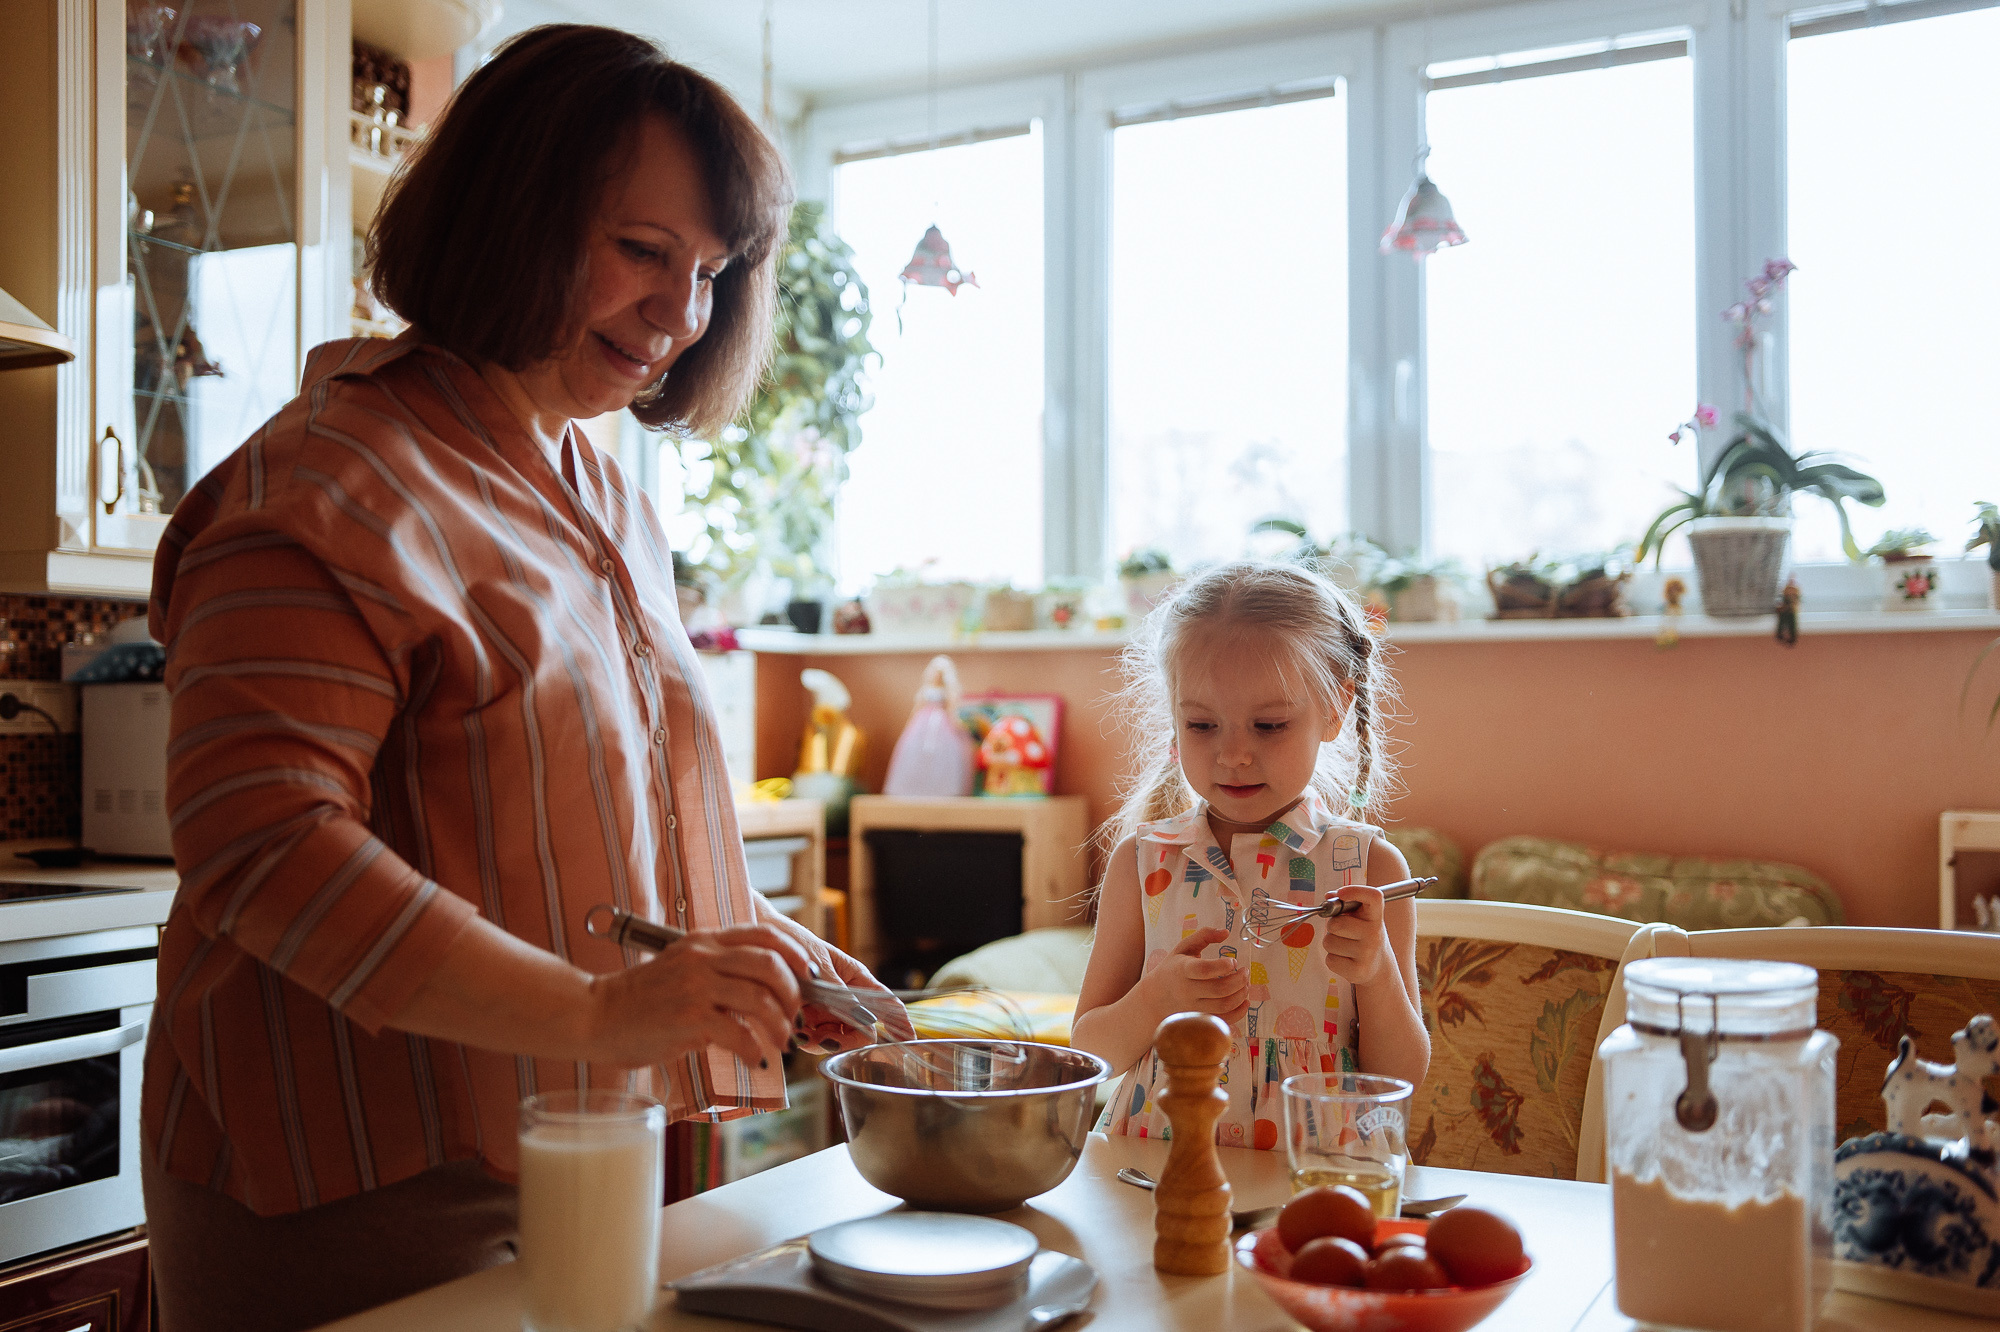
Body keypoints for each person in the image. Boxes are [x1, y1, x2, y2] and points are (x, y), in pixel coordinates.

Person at [140, 26, 901, 1332]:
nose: (682, 314)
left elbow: (572, 841)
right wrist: (605, 1011)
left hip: (573, 1143)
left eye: (711, 272)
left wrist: (774, 959)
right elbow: (261, 848)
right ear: (512, 216)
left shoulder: (596, 490)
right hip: (353, 1178)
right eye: (642, 252)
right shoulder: (330, 481)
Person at [1071, 561, 1428, 1148]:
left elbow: (1401, 1078)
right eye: (1202, 724)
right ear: (1174, 719)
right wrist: (1156, 1000)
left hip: (1316, 1180)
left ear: (1335, 709)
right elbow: (1089, 1058)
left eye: (1268, 725)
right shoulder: (1142, 863)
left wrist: (1377, 970)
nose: (1233, 754)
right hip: (1158, 1179)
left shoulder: (1370, 870)